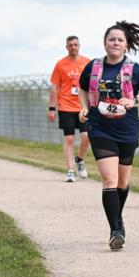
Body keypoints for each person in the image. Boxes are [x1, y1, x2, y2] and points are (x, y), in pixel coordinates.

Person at [78, 21, 139, 250]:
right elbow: (83, 89)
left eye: (120, 40)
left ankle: (118, 218)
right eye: (111, 39)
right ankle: (115, 230)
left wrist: (133, 101)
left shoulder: (135, 69)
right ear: (105, 42)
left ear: (127, 45)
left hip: (127, 128)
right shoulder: (93, 67)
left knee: (122, 182)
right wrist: (83, 108)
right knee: (109, 180)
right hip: (99, 127)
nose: (115, 43)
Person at [48, 35, 91, 183]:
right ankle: (70, 170)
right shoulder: (61, 64)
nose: (73, 47)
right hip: (66, 106)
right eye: (70, 45)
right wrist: (52, 108)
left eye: (75, 45)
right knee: (69, 138)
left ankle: (79, 160)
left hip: (83, 106)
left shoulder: (87, 63)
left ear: (79, 45)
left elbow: (93, 85)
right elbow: (55, 86)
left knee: (86, 136)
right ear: (66, 47)